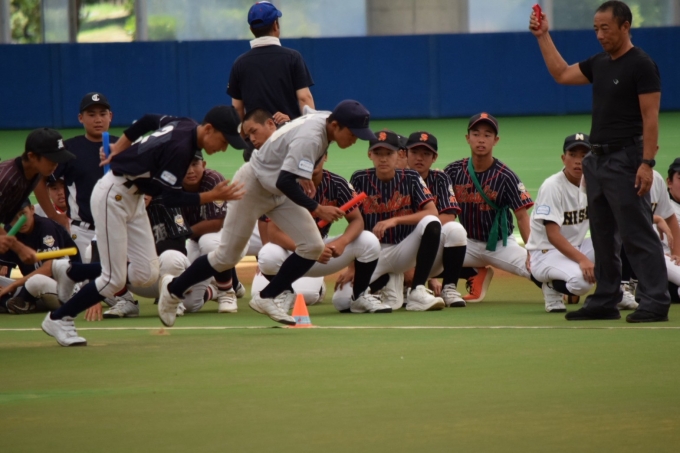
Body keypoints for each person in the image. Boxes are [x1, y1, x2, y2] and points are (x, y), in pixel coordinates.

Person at [41, 105, 247, 347]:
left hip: (134, 198)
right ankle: (59, 318)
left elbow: (149, 119)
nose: (223, 148)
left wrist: (120, 146)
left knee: (146, 273)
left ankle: (73, 272)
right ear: (209, 129)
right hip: (112, 196)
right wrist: (211, 196)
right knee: (112, 279)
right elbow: (170, 199)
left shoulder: (186, 124)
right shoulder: (181, 149)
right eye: (224, 141)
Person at [158, 100, 376, 327]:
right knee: (226, 257)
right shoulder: (312, 138)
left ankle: (267, 296)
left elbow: (305, 114)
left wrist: (302, 173)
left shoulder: (325, 119)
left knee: (312, 246)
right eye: (353, 133)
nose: (355, 140)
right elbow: (285, 180)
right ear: (336, 125)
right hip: (252, 186)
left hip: (276, 189)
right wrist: (318, 208)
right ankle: (173, 289)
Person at [530, 1, 669, 322]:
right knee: (603, 235)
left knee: (637, 232)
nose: (600, 35)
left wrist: (647, 163)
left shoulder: (641, 64)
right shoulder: (600, 63)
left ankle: (655, 301)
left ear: (625, 26)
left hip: (626, 158)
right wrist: (542, 36)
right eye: (596, 29)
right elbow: (562, 74)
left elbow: (650, 117)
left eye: (605, 28)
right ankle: (606, 299)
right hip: (597, 160)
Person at [257, 153, 386, 313]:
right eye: (308, 156)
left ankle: (360, 296)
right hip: (293, 252)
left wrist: (342, 242)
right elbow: (273, 232)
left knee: (369, 240)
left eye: (318, 155)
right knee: (267, 254)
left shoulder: (337, 183)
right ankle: (284, 293)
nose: (313, 161)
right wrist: (310, 249)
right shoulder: (285, 184)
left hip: (324, 252)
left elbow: (357, 221)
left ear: (325, 157)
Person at [338, 130, 446, 312]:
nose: (383, 159)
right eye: (378, 153)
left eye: (388, 153)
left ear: (399, 154)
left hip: (403, 249)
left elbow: (432, 212)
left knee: (431, 222)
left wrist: (395, 220)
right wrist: (352, 266)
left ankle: (417, 290)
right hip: (372, 254)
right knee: (342, 303)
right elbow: (354, 222)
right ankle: (388, 279)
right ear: (370, 155)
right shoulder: (359, 179)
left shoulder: (411, 177)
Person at [443, 113, 539, 304]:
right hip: (467, 244)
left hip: (501, 245)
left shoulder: (506, 176)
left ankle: (565, 288)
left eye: (487, 135)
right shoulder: (453, 171)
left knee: (536, 268)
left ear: (495, 140)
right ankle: (475, 273)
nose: (481, 140)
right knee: (425, 261)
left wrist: (532, 252)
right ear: (467, 138)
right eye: (476, 134)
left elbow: (522, 217)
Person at [525, 134, 596, 313]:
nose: (578, 161)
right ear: (563, 158)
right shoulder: (552, 186)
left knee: (616, 242)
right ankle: (551, 286)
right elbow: (553, 235)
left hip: (576, 246)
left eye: (584, 155)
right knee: (582, 283)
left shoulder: (594, 183)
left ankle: (618, 292)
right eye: (573, 155)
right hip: (545, 253)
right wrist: (583, 260)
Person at [38, 92, 115, 252]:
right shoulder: (69, 149)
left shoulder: (122, 146)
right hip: (84, 232)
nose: (98, 120)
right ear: (81, 118)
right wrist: (53, 215)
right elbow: (39, 179)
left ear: (110, 116)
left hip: (120, 228)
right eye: (91, 115)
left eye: (102, 114)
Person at [404, 131, 468, 307]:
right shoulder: (395, 179)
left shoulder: (440, 178)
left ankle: (449, 288)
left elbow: (449, 215)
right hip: (400, 251)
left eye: (426, 153)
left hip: (431, 252)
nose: (419, 158)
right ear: (405, 153)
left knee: (456, 230)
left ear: (434, 158)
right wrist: (406, 267)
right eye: (415, 152)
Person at [227, 2, 314, 122]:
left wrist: (244, 133)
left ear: (251, 29)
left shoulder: (239, 64)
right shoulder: (293, 57)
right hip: (289, 131)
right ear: (275, 25)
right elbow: (304, 98)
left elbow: (237, 109)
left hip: (255, 133)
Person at [0, 128, 74, 265]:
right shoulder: (6, 179)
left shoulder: (36, 171)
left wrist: (53, 215)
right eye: (51, 159)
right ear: (32, 156)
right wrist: (20, 248)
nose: (56, 164)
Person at [182, 154, 241, 313]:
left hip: (228, 237)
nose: (190, 171)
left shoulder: (212, 179)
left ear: (204, 164)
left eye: (195, 164)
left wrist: (180, 234)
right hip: (194, 240)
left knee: (209, 242)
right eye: (185, 165)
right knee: (189, 304)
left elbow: (216, 224)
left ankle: (227, 291)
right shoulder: (172, 185)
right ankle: (215, 288)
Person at [0, 204, 80, 314]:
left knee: (36, 280)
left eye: (23, 214)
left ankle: (17, 302)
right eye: (14, 217)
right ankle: (13, 303)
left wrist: (14, 284)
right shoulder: (10, 231)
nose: (20, 221)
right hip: (32, 291)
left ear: (32, 209)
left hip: (68, 290)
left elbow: (48, 269)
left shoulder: (46, 227)